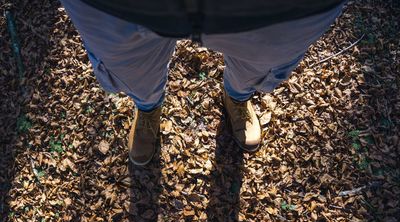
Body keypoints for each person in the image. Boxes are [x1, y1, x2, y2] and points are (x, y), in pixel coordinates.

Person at [60, 0, 345, 165]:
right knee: (133, 72)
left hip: (280, 8)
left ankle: (237, 96)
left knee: (258, 67)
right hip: (117, 6)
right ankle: (148, 108)